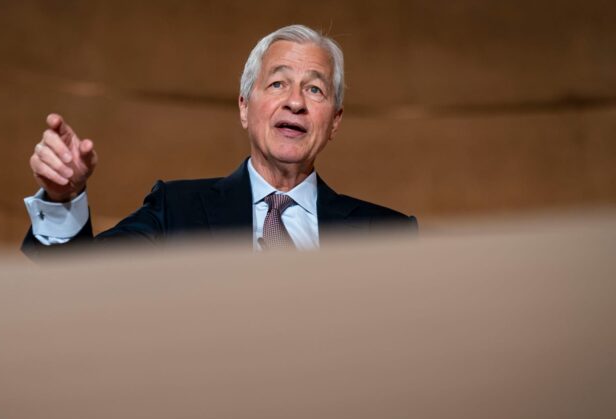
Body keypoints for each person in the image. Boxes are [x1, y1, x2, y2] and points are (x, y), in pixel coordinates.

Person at [22, 24, 416, 258]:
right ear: (244, 107)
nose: (295, 102)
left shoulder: (387, 234)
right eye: (278, 83)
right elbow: (82, 282)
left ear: (335, 122)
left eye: (314, 89)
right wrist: (63, 199)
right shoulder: (176, 211)